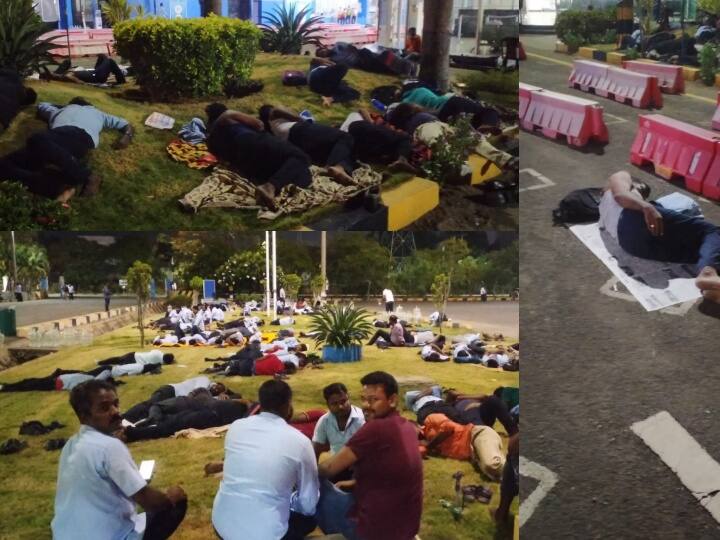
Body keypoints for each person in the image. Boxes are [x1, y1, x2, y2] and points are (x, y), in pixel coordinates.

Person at [51, 380, 187, 540]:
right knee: (177, 502)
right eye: (104, 407)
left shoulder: (72, 443)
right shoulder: (109, 447)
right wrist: (170, 497)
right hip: (110, 535)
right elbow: (148, 500)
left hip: (65, 534)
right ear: (84, 415)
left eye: (116, 404)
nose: (115, 411)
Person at [317, 371, 423, 540]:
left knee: (316, 486)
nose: (366, 405)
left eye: (374, 400)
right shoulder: (406, 425)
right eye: (364, 399)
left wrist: (303, 470)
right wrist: (354, 483)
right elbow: (392, 474)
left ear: (393, 400)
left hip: (377, 531)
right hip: (407, 526)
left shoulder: (375, 428)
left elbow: (329, 468)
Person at [211, 379, 319, 539]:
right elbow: (307, 505)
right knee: (311, 517)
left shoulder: (236, 427)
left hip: (221, 524)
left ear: (260, 403)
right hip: (266, 533)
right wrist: (288, 496)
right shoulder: (300, 442)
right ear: (288, 405)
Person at [600, 171, 720, 302]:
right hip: (632, 217)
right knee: (712, 232)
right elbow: (620, 195)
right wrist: (647, 206)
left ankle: (712, 289)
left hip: (632, 246)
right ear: (634, 184)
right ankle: (707, 272)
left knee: (701, 249)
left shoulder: (603, 209)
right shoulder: (620, 177)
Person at [0, 98, 134, 201]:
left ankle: (85, 174)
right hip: (54, 142)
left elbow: (43, 105)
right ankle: (54, 187)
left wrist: (126, 138)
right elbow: (124, 124)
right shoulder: (95, 113)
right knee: (4, 164)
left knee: (36, 139)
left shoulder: (94, 112)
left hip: (79, 135)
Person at [205, 102, 313, 210]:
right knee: (301, 157)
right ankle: (270, 186)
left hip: (245, 164)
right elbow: (259, 125)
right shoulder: (226, 118)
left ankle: (271, 186)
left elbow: (225, 162)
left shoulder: (210, 140)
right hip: (250, 141)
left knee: (302, 176)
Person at [259, 104, 356, 184]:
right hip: (299, 129)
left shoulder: (273, 129)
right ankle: (335, 167)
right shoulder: (273, 112)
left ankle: (337, 169)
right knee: (344, 137)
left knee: (332, 147)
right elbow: (287, 114)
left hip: (296, 142)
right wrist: (303, 120)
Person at [420, 412, 506, 479]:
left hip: (476, 435)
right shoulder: (424, 441)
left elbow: (448, 427)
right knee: (493, 474)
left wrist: (428, 446)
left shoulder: (430, 419)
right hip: (473, 454)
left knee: (492, 465)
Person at [338, 109, 417, 172]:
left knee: (363, 154)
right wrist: (371, 122)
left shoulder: (352, 118)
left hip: (358, 139)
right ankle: (401, 158)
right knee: (399, 139)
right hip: (359, 130)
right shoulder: (354, 116)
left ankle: (399, 158)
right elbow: (362, 110)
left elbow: (362, 110)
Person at [123, 376, 227, 423]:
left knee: (151, 412)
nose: (216, 389)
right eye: (217, 387)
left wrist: (220, 397)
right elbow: (198, 391)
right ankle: (123, 418)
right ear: (215, 383)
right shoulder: (205, 381)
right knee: (149, 405)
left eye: (218, 391)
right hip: (170, 391)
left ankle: (128, 424)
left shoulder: (210, 394)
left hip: (173, 398)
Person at [401, 86, 500, 129]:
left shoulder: (405, 102)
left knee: (465, 124)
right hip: (450, 101)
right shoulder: (421, 89)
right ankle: (488, 125)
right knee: (486, 110)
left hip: (441, 114)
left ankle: (481, 128)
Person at [312, 383, 366, 461]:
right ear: (328, 405)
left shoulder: (363, 419)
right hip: (336, 466)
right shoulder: (324, 421)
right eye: (334, 404)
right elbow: (315, 450)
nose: (340, 407)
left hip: (360, 466)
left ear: (348, 396)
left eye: (343, 401)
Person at [0, 366, 115, 392]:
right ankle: (6, 386)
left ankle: (5, 388)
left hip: (56, 383)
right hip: (57, 380)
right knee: (28, 382)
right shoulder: (90, 377)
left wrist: (108, 375)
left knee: (28, 384)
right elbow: (106, 371)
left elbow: (106, 372)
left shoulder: (92, 382)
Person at [41, 54, 126, 85]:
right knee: (109, 61)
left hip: (93, 72)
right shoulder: (66, 76)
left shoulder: (59, 73)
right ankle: (121, 80)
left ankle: (102, 69)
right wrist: (82, 83)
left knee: (102, 56)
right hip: (95, 76)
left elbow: (66, 63)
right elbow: (75, 79)